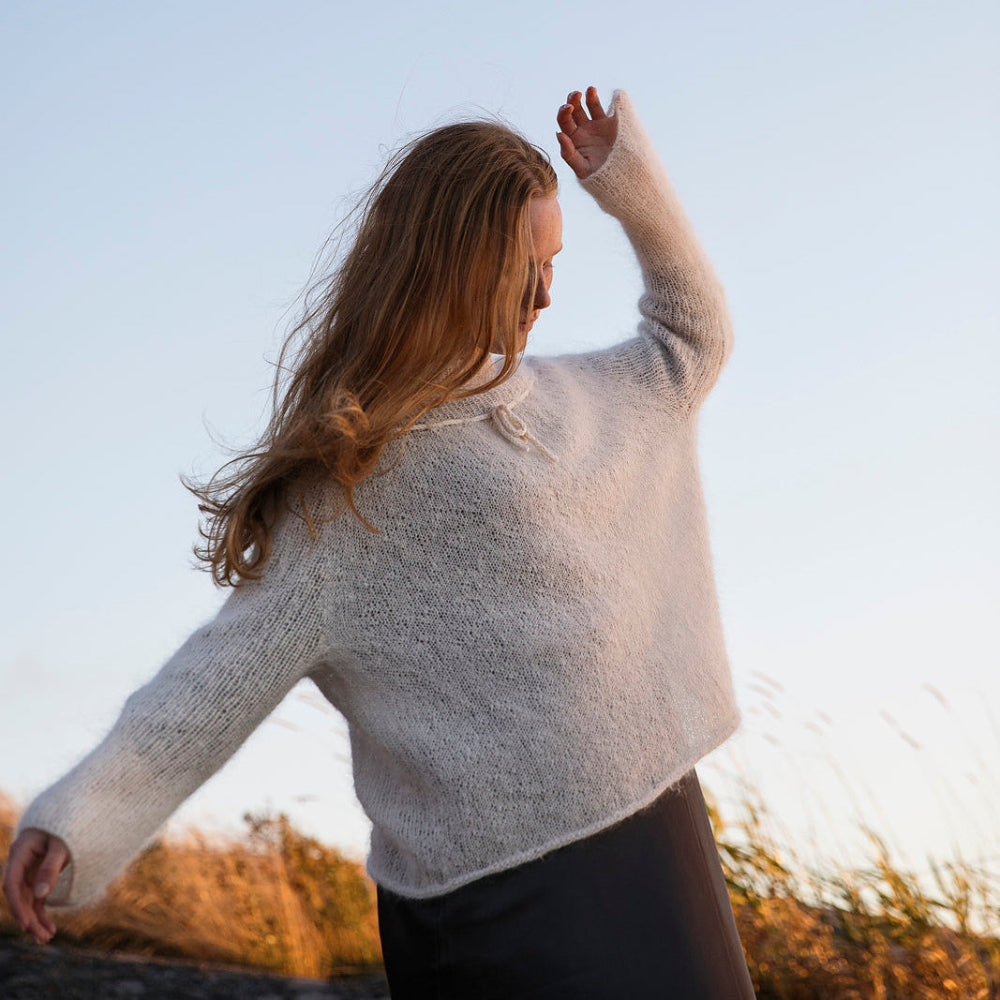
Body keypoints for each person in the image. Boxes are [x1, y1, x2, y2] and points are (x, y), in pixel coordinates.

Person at [3, 86, 755, 997]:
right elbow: (214, 681)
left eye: (555, 262)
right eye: (524, 269)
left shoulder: (585, 399)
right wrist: (80, 816)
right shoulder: (356, 482)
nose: (546, 297)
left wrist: (627, 183)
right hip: (500, 903)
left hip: (656, 847)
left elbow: (693, 334)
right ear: (448, 265)